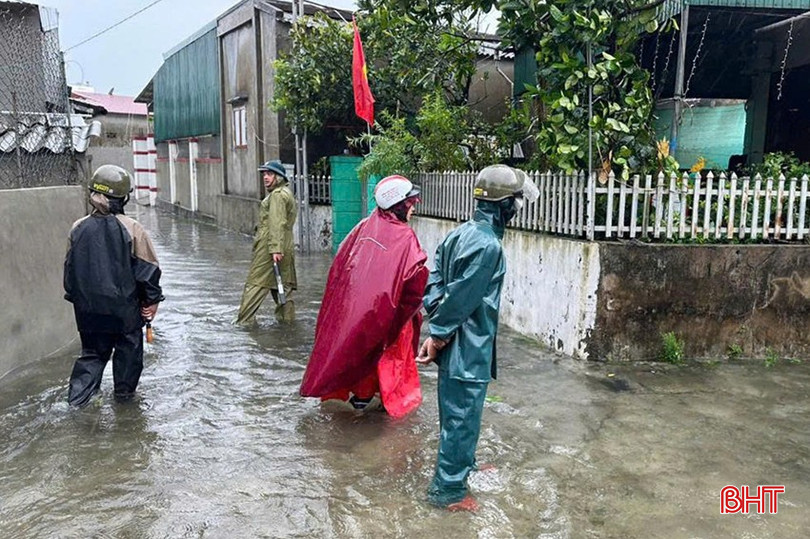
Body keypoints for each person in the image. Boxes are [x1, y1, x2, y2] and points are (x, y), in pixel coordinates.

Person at [417, 164, 538, 511]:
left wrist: (436, 321)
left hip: (457, 347)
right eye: (514, 202)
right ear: (502, 206)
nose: (517, 209)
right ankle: (448, 492)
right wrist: (437, 336)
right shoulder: (489, 247)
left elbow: (435, 278)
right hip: (467, 350)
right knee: (461, 420)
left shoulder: (459, 234)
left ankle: (462, 465)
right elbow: (463, 298)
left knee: (457, 416)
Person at [300, 175, 428, 417]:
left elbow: (340, 274)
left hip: (357, 315)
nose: (414, 206)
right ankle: (383, 422)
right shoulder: (404, 237)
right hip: (390, 320)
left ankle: (359, 409)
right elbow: (414, 285)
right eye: (411, 202)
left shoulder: (362, 228)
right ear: (399, 204)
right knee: (387, 366)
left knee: (358, 358)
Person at [64, 165, 164, 407]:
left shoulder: (77, 227)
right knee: (128, 363)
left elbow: (69, 277)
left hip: (88, 313)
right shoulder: (133, 229)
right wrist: (151, 303)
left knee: (91, 358)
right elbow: (148, 272)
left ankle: (78, 405)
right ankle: (126, 410)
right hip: (125, 314)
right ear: (123, 197)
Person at [236, 160, 297, 324]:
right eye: (264, 174)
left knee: (255, 284)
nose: (265, 177)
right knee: (283, 289)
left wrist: (275, 249)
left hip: (270, 249)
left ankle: (244, 323)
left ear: (279, 177)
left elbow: (277, 223)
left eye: (269, 174)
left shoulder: (277, 196)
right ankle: (288, 326)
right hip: (284, 247)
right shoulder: (285, 193)